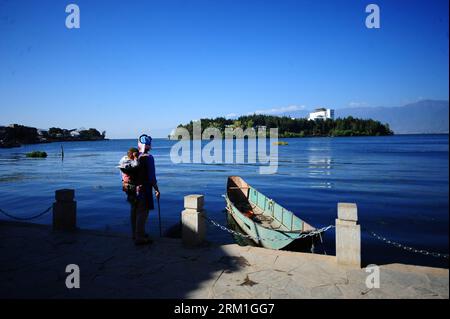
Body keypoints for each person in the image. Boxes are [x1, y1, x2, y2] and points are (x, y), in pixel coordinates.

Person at [131, 134, 160, 245]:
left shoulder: (135, 156)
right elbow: (152, 177)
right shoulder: (149, 158)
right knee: (143, 212)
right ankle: (139, 237)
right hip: (144, 188)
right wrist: (157, 190)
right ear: (148, 146)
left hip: (134, 189)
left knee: (138, 212)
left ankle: (139, 233)